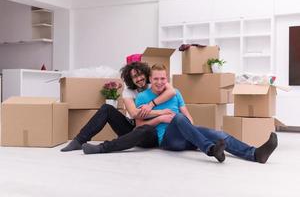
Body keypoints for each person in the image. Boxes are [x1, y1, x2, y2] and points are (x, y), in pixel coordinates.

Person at [83, 63, 278, 164]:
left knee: (219, 134)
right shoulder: (142, 99)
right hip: (168, 139)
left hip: (187, 134)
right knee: (176, 118)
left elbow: (187, 114)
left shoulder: (174, 92)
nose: (159, 82)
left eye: (163, 79)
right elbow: (139, 127)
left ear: (166, 79)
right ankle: (210, 150)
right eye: (156, 79)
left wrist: (193, 129)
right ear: (151, 79)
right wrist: (161, 116)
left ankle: (255, 154)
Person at [61, 61, 176, 152]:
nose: (139, 78)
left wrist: (152, 105)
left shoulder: (155, 83)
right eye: (135, 76)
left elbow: (172, 91)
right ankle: (79, 141)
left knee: (145, 129)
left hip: (151, 131)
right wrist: (160, 113)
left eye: (141, 74)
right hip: (132, 126)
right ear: (130, 79)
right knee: (107, 109)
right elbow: (134, 113)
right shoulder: (128, 92)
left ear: (147, 75)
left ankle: (102, 148)